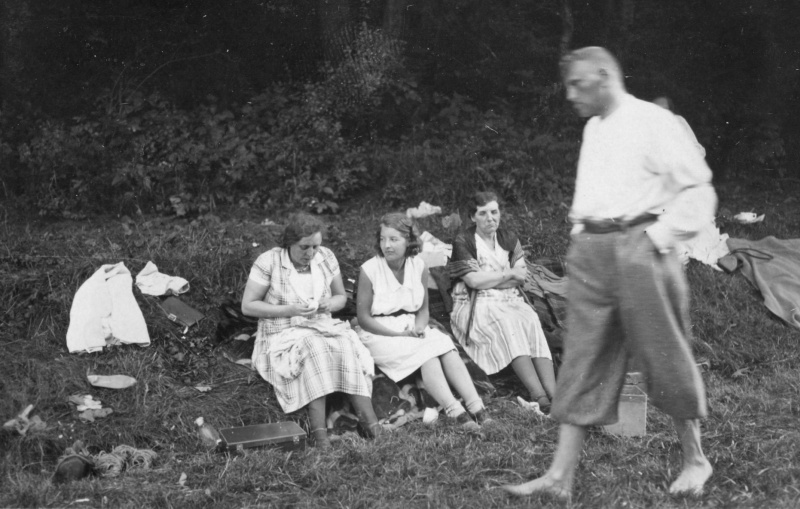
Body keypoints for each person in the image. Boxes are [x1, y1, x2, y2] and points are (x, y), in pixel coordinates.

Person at [502, 47, 716, 499]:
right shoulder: (593, 129)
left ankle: (696, 459)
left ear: (604, 76)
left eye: (578, 84)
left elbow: (698, 189)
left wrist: (657, 240)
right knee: (582, 357)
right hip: (592, 254)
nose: (570, 94)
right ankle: (560, 477)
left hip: (640, 248)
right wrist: (582, 239)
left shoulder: (652, 122)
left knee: (664, 354)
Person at [241, 212, 381, 448]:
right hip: (282, 333)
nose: (310, 253)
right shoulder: (269, 261)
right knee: (314, 347)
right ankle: (320, 435)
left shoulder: (325, 257)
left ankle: (371, 424)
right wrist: (291, 309)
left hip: (320, 326)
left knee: (345, 343)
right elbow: (248, 306)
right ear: (289, 243)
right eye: (304, 247)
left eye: (315, 246)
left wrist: (329, 304)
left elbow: (341, 298)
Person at [355, 212, 490, 431]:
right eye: (382, 239)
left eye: (393, 239)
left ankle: (477, 407)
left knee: (445, 347)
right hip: (378, 333)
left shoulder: (418, 266)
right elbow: (364, 319)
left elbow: (422, 309)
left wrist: (419, 326)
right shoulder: (369, 269)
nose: (386, 245)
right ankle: (455, 409)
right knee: (428, 352)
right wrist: (399, 335)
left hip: (408, 324)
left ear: (408, 240)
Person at [449, 191, 556, 413]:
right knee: (508, 321)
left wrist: (494, 278)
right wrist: (508, 274)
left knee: (530, 318)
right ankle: (539, 396)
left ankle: (554, 393)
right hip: (474, 302)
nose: (490, 218)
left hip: (508, 298)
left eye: (494, 212)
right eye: (483, 213)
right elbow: (474, 281)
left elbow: (522, 276)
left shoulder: (509, 238)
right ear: (472, 217)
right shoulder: (464, 241)